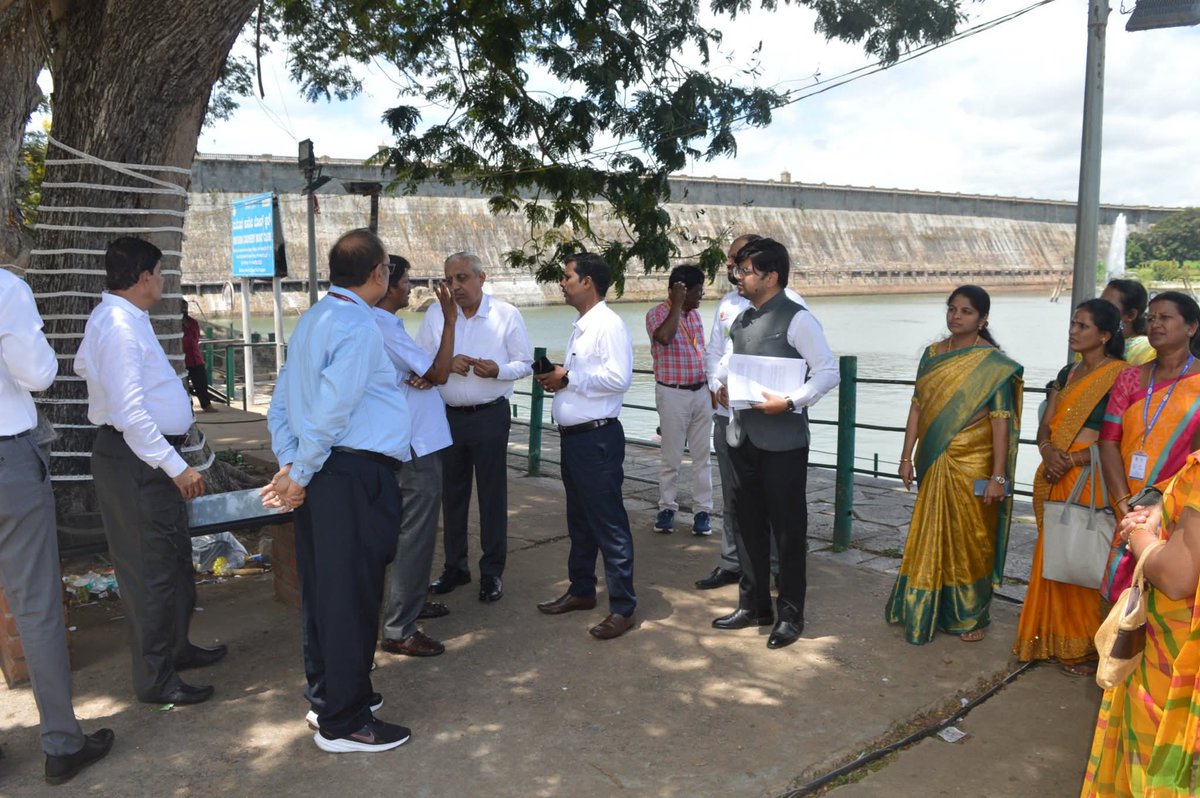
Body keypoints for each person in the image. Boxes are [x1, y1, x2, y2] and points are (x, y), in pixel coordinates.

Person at [264, 229, 412, 753]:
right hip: (349, 474)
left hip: (325, 472)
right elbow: (333, 408)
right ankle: (344, 722)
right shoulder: (358, 324)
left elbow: (282, 402)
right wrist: (298, 473)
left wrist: (291, 465)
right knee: (350, 595)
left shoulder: (314, 319)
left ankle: (330, 695)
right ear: (379, 273)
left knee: (327, 592)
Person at [75, 237, 224, 706]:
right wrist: (177, 467)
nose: (162, 282)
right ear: (143, 278)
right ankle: (156, 677)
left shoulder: (120, 318)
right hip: (139, 459)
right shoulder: (119, 326)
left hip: (147, 455)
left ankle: (176, 649)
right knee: (149, 571)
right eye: (160, 274)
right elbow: (130, 413)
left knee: (173, 559)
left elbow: (82, 366)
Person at [0, 268, 114, 785]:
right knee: (36, 606)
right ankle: (62, 743)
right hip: (7, 461)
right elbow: (39, 373)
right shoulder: (6, 288)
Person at [711, 237, 839, 649]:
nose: (738, 276)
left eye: (746, 271)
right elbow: (727, 363)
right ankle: (753, 605)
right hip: (742, 436)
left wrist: (791, 401)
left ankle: (790, 614)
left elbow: (827, 372)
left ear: (771, 276)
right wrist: (719, 386)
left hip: (783, 443)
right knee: (747, 524)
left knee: (787, 531)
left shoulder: (798, 319)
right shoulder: (741, 318)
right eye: (739, 269)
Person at [887, 285, 1023, 645]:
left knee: (971, 538)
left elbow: (1001, 421)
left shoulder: (993, 365)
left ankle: (969, 614)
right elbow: (918, 405)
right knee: (930, 531)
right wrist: (906, 457)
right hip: (934, 456)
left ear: (982, 319)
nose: (956, 316)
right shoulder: (932, 354)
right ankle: (923, 607)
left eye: (966, 311)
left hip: (975, 462)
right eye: (952, 309)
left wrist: (998, 477)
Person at [1013, 299, 1126, 675]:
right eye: (1072, 324)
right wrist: (1048, 451)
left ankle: (1085, 646)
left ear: (1105, 335)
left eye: (1082, 326)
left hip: (1089, 477)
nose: (1073, 331)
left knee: (1082, 554)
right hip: (1054, 471)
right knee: (1054, 554)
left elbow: (1122, 437)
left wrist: (1072, 460)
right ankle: (1048, 638)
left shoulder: (1122, 376)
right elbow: (1046, 423)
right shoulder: (1067, 372)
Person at [1080, 452, 1200, 796]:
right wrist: (1162, 507)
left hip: (1178, 663)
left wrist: (1138, 533)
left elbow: (1176, 576)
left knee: (1163, 769)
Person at [418, 252, 533, 603]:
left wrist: (499, 370)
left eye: (462, 277)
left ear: (481, 278)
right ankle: (455, 567)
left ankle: (492, 571)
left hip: (489, 415)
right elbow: (420, 361)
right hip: (448, 416)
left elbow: (525, 363)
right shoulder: (436, 314)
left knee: (491, 495)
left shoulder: (506, 314)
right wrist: (446, 363)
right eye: (449, 279)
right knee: (452, 496)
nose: (455, 286)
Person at [534, 253, 637, 640]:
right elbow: (582, 378)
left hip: (597, 439)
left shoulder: (607, 325)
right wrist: (560, 379)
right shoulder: (582, 326)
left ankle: (623, 607)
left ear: (588, 281)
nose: (562, 283)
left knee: (609, 523)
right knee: (579, 520)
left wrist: (569, 378)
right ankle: (581, 589)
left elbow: (619, 378)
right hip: (576, 439)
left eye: (567, 276)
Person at [694, 233, 799, 590]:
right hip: (729, 419)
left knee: (773, 500)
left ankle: (777, 569)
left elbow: (808, 367)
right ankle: (732, 563)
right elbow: (714, 352)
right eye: (730, 264)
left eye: (737, 263)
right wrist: (715, 385)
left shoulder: (791, 306)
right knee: (734, 497)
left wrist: (787, 400)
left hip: (769, 422)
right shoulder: (727, 305)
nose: (730, 268)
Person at [375, 255, 458, 658]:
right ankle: (400, 627)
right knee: (415, 534)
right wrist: (450, 322)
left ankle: (410, 601)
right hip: (414, 445)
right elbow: (439, 373)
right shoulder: (383, 325)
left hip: (413, 440)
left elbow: (425, 372)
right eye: (406, 282)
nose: (410, 288)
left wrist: (426, 372)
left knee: (412, 533)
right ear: (387, 285)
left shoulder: (383, 325)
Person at [1098, 291, 1200, 599]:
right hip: (1127, 503)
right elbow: (1108, 441)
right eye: (1151, 317)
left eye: (1165, 317)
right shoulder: (1129, 378)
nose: (1155, 324)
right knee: (1120, 601)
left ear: (1191, 327)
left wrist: (1156, 508)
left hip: (1176, 507)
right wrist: (1122, 505)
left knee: (1167, 588)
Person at [645, 264, 712, 535]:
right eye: (697, 291)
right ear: (680, 290)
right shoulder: (657, 314)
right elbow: (664, 337)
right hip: (672, 393)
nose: (701, 295)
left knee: (702, 458)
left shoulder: (695, 316)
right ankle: (667, 508)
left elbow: (702, 351)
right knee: (671, 458)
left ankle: (702, 511)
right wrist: (677, 304)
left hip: (700, 392)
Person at [1101, 278, 1155, 365]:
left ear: (1131, 315)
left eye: (1108, 307)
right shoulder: (1092, 341)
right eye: (1098, 303)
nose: (1097, 310)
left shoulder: (1145, 349)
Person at [181, 300, 215, 412]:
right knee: (184, 386)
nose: (184, 310)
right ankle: (187, 407)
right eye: (182, 308)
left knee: (201, 383)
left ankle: (206, 405)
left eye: (185, 308)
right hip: (183, 360)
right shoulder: (175, 324)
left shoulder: (193, 322)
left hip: (196, 358)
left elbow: (196, 338)